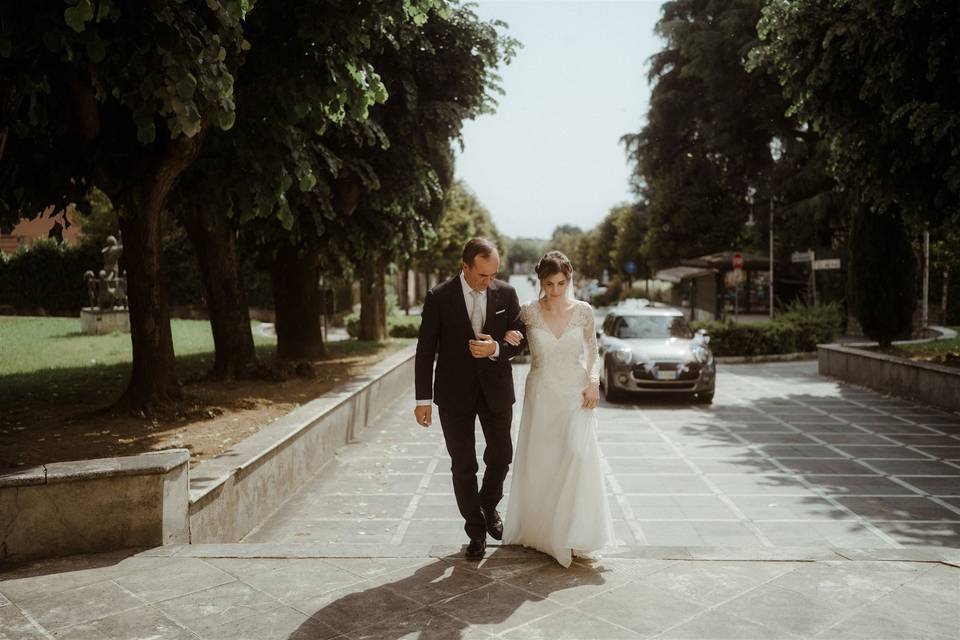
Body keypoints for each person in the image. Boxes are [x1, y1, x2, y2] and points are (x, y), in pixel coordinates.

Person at [502, 250, 615, 567]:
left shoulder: (583, 311)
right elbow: (507, 338)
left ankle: (574, 533)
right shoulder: (527, 312)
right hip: (541, 394)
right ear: (541, 282)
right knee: (544, 462)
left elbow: (593, 351)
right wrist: (504, 337)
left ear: (569, 280)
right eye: (549, 284)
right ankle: (544, 532)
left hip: (575, 394)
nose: (555, 290)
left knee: (576, 456)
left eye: (561, 283)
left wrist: (594, 383)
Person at [414, 238, 525, 560]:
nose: (489, 281)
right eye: (482, 275)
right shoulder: (439, 297)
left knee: (502, 455)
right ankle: (475, 530)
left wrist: (497, 349)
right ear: (465, 267)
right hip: (453, 393)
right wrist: (423, 399)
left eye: (493, 275)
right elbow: (424, 351)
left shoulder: (507, 293)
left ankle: (488, 505)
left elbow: (519, 339)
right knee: (464, 465)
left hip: (496, 390)